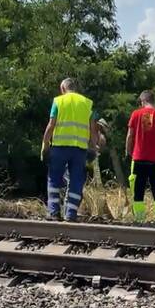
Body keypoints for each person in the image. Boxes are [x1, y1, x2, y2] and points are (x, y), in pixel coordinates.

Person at [41, 78, 98, 221]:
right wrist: (93, 147)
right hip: (79, 149)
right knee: (76, 180)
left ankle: (54, 212)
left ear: (63, 88)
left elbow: (51, 125)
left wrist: (45, 145)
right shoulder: (87, 103)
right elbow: (93, 129)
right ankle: (71, 214)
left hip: (60, 146)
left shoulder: (58, 101)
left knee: (54, 178)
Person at [125, 89, 155, 222]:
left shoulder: (136, 114)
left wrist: (128, 151)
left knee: (138, 190)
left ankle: (139, 219)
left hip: (138, 158)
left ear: (143, 101)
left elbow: (130, 136)